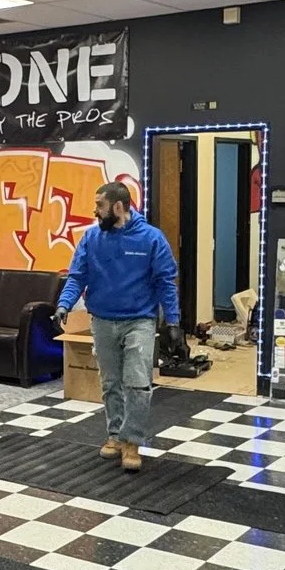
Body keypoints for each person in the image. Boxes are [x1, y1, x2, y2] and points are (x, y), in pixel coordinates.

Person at [57, 182, 179, 471]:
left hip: (140, 321)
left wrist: (173, 322)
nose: (95, 210)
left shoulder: (151, 238)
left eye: (99, 204)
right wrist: (64, 304)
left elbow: (166, 282)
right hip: (102, 321)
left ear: (118, 206)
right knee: (110, 383)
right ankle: (114, 436)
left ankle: (132, 442)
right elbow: (77, 276)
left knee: (137, 384)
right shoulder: (91, 238)